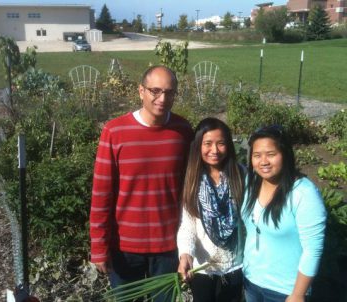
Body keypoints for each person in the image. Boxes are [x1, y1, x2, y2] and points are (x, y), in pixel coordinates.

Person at [89, 65, 193, 301]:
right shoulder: (115, 131)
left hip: (168, 247)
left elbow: (189, 189)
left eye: (170, 92)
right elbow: (101, 194)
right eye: (155, 91)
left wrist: (188, 244)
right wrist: (99, 246)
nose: (163, 98)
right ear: (141, 91)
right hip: (125, 247)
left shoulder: (183, 130)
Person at [242, 125, 327, 302]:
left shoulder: (303, 193)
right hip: (251, 280)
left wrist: (298, 294)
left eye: (271, 154)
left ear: (285, 155)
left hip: (285, 290)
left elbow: (313, 250)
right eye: (257, 155)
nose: (263, 161)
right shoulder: (250, 183)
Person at [177, 117, 245, 302]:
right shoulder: (192, 180)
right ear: (198, 145)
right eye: (208, 143)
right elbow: (187, 225)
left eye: (221, 143)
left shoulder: (241, 175)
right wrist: (186, 254)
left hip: (234, 265)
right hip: (202, 267)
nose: (214, 150)